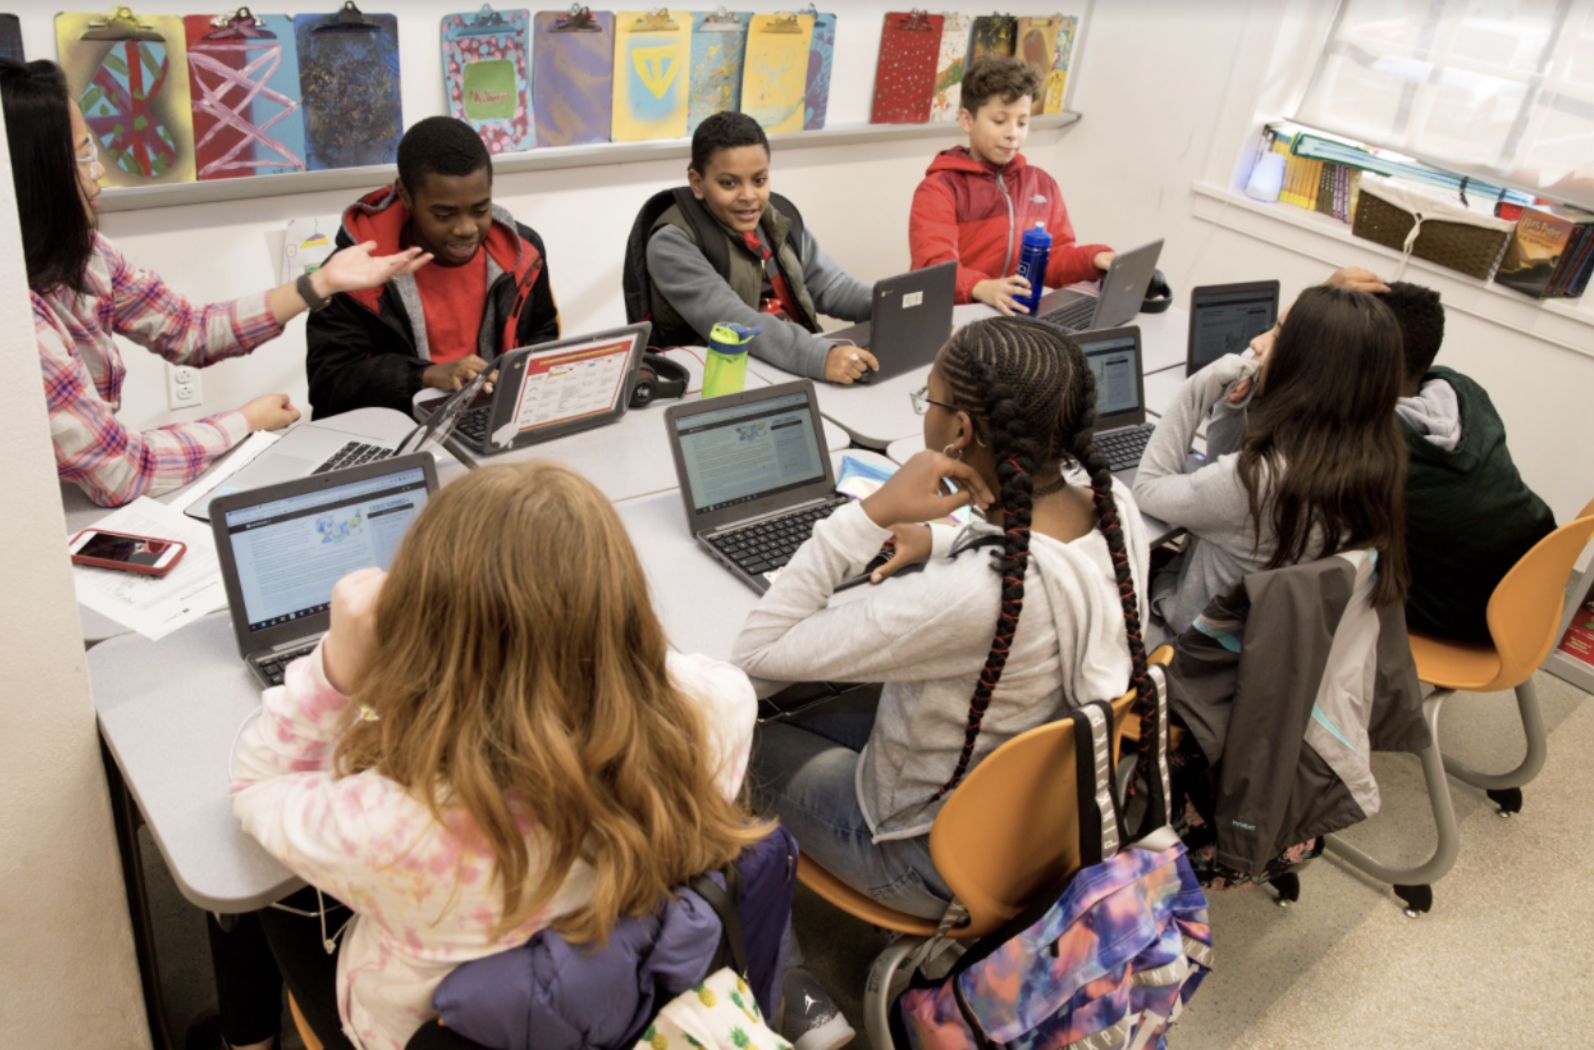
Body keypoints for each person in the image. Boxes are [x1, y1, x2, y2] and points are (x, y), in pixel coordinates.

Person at [230, 462, 764, 1050]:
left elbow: (256, 787)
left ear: (428, 631)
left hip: (425, 1029)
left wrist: (337, 668)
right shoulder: (722, 707)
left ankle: (245, 1038)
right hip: (628, 981)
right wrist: (585, 631)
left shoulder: (396, 829)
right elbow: (668, 672)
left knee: (274, 893)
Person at [733, 317, 1152, 1050]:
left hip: (927, 852)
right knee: (822, 705)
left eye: (925, 397)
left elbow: (757, 651)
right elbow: (1028, 560)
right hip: (1044, 820)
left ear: (958, 428)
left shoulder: (970, 598)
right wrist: (946, 536)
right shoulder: (1119, 517)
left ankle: (780, 983)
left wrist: (867, 516)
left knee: (728, 738)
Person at [2, 59, 427, 509]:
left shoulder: (84, 254)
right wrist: (243, 422)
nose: (99, 171)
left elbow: (188, 329)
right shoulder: (20, 320)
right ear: (37, 176)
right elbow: (122, 470)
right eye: (85, 154)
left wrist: (319, 283)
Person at [1132, 285, 1411, 646]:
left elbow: (1148, 488)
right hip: (1268, 650)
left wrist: (1197, 388)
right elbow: (1228, 489)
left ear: (1304, 363)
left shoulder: (1259, 482)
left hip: (1190, 651)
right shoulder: (1374, 458)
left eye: (1277, 334)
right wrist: (1232, 410)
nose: (1260, 344)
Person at [1320, 269, 1555, 643]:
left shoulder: (1366, 445)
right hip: (1537, 591)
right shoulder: (1462, 391)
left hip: (1472, 618)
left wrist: (1316, 307)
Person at [306, 116, 561, 418]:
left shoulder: (524, 252)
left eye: (480, 209)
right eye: (444, 215)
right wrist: (424, 376)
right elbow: (330, 384)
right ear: (404, 194)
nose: (466, 229)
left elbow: (541, 334)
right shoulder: (352, 272)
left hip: (494, 423)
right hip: (403, 434)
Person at [644, 110, 879, 384]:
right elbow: (733, 321)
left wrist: (888, 304)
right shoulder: (671, 243)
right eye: (728, 183)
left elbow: (832, 286)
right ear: (697, 183)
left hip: (796, 363)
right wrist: (818, 356)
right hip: (726, 380)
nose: (748, 196)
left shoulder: (779, 218)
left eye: (759, 180)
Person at [908, 56, 1114, 316]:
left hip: (1012, 319)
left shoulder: (1042, 185)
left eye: (1022, 122)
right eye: (999, 120)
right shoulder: (938, 189)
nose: (1013, 133)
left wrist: (1094, 259)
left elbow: (1052, 261)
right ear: (967, 120)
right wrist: (982, 287)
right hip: (951, 320)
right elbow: (934, 268)